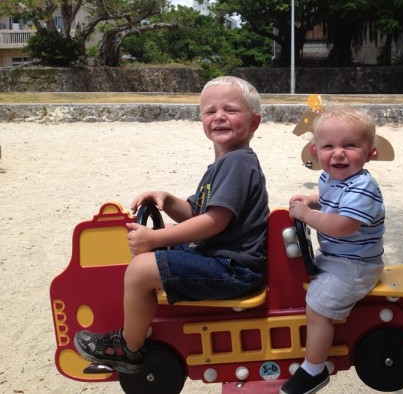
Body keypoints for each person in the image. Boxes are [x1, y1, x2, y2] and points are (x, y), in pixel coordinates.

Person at [75, 76, 269, 374]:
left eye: (230, 110)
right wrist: (166, 199)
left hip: (234, 269)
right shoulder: (224, 163)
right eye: (210, 111)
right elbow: (196, 212)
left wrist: (155, 238)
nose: (219, 116)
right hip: (221, 256)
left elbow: (215, 222)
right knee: (163, 249)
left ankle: (128, 347)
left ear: (254, 122)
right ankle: (142, 323)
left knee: (141, 269)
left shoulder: (238, 163)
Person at [281, 106, 385, 394]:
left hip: (356, 265)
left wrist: (305, 214)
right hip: (336, 258)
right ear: (315, 150)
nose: (338, 153)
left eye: (350, 145)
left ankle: (313, 370)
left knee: (317, 305)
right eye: (329, 146)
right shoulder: (331, 178)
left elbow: (341, 226)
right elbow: (328, 197)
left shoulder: (362, 187)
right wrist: (312, 200)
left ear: (370, 152)